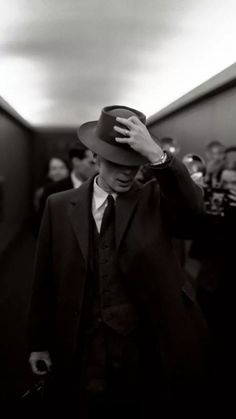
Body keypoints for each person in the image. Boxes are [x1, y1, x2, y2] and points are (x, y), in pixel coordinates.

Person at [28, 105, 209, 417]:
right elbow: (45, 277)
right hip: (82, 346)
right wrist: (38, 342)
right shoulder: (58, 206)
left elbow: (194, 218)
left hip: (143, 350)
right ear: (96, 156)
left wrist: (157, 155)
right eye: (117, 162)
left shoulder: (155, 199)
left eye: (134, 163)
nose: (127, 171)